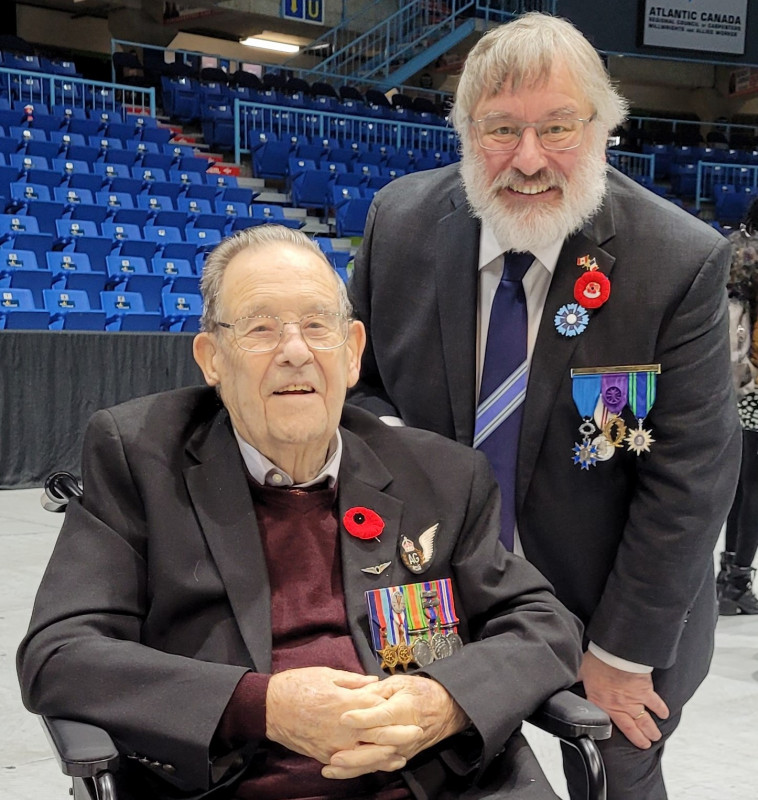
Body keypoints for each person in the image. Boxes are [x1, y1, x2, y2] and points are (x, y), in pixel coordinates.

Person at [18, 225, 584, 800]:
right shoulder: (139, 458)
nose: (295, 352)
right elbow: (60, 656)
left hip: (427, 782)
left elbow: (545, 623)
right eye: (261, 329)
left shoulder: (441, 474)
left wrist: (445, 699)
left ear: (354, 351)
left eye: (318, 326)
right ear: (212, 358)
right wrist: (263, 706)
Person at [348, 12, 740, 800]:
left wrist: (623, 656)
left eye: (557, 127)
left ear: (605, 128)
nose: (528, 160)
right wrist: (392, 452)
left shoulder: (679, 262)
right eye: (500, 129)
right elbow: (362, 386)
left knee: (616, 779)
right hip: (433, 591)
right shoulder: (400, 223)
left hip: (615, 609)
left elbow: (689, 483)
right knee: (426, 776)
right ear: (463, 131)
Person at [720, 199, 758, 615]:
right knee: (754, 491)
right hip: (752, 383)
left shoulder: (732, 246)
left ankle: (728, 575)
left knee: (737, 487)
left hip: (727, 385)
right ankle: (738, 581)